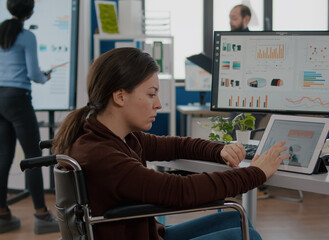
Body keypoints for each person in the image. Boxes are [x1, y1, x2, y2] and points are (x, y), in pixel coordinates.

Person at [52, 47, 289, 240]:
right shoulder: (102, 154)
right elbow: (179, 191)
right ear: (120, 96)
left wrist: (219, 150)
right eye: (151, 94)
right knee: (244, 236)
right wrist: (256, 173)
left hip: (150, 234)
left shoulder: (120, 137)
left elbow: (176, 145)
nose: (158, 104)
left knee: (236, 218)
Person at [0, 0, 59, 235]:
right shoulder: (27, 37)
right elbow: (34, 73)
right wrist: (45, 77)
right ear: (31, 12)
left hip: (0, 97)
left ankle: (2, 213)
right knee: (34, 156)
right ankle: (42, 214)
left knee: (3, 156)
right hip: (18, 97)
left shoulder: (2, 32)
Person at [229, 4, 270, 199]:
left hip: (254, 100)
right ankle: (238, 184)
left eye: (235, 18)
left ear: (246, 20)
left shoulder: (255, 42)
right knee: (232, 138)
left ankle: (256, 185)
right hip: (236, 100)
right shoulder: (229, 42)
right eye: (230, 17)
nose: (231, 22)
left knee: (247, 140)